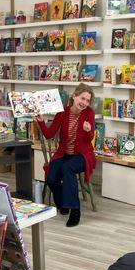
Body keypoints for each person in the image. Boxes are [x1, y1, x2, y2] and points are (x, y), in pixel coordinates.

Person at [36, 83, 96, 227]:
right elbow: (49, 135)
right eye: (82, 98)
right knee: (51, 176)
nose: (84, 103)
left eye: (87, 101)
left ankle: (75, 210)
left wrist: (88, 131)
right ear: (74, 96)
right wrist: (42, 122)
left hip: (83, 155)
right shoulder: (62, 113)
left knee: (67, 168)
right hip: (64, 154)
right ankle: (63, 203)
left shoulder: (89, 113)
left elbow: (88, 140)